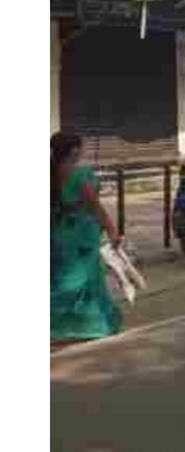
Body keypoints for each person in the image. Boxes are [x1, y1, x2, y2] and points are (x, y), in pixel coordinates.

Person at [51, 131, 124, 344]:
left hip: (57, 233)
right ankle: (93, 325)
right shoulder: (80, 174)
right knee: (87, 280)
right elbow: (95, 207)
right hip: (80, 234)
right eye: (81, 147)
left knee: (59, 280)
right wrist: (112, 229)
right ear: (74, 150)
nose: (83, 150)